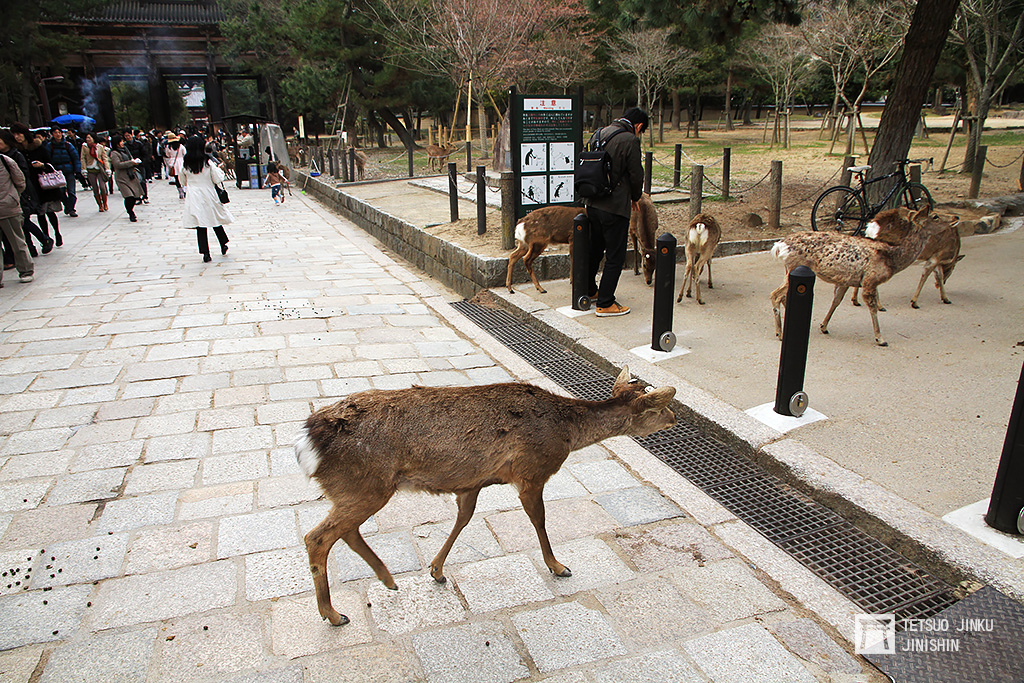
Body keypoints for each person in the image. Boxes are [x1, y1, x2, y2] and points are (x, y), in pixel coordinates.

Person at [583, 107, 648, 317]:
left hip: (592, 202)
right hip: (614, 206)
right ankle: (605, 302)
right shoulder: (630, 140)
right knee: (615, 255)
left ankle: (589, 290)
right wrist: (636, 197)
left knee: (594, 249)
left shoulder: (599, 133)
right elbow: (636, 174)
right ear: (638, 126)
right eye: (641, 130)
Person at [181, 135, 232, 262]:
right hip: (208, 193)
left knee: (201, 224)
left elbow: (182, 181)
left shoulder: (186, 163)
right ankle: (223, 243)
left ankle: (205, 252)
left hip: (194, 195)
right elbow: (217, 178)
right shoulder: (207, 162)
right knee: (214, 219)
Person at [0, 129, 50, 257]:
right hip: (8, 195)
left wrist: (16, 192)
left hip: (19, 193)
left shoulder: (15, 155)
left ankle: (44, 239)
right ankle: (33, 247)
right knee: (21, 223)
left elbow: (23, 176)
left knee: (23, 220)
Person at [11, 123, 62, 251]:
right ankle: (46, 238)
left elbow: (50, 163)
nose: (17, 137)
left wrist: (42, 165)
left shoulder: (38, 146)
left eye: (19, 134)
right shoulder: (16, 151)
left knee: (49, 211)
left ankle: (56, 232)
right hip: (30, 186)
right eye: (15, 134)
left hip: (43, 183)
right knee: (40, 213)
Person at [0, 140, 35, 285]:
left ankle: (26, 270)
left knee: (17, 241)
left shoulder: (5, 160)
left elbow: (20, 181)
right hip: (9, 203)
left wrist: (12, 197)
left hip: (8, 207)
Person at [45, 126, 80, 219]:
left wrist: (77, 170)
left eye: (59, 132)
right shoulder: (49, 146)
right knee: (61, 192)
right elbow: (47, 159)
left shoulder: (68, 145)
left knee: (71, 191)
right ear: (52, 134)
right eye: (55, 133)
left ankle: (71, 208)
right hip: (57, 172)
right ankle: (68, 206)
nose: (58, 134)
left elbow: (75, 158)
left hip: (69, 170)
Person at [109, 135, 144, 222]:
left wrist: (134, 162)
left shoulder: (125, 150)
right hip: (122, 178)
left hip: (130, 175)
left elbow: (130, 158)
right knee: (129, 196)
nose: (122, 143)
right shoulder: (114, 153)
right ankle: (130, 213)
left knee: (135, 196)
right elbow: (117, 165)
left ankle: (131, 209)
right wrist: (131, 163)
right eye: (121, 141)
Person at [80, 132, 110, 212]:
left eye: (89, 137)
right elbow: (82, 158)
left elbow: (104, 158)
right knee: (95, 188)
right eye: (87, 138)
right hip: (90, 169)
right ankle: (100, 205)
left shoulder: (99, 147)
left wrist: (107, 168)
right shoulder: (84, 147)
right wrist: (84, 169)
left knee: (102, 187)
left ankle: (105, 203)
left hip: (99, 168)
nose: (88, 139)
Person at [123, 129, 150, 203]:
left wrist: (142, 162)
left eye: (128, 135)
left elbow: (144, 153)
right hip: (131, 165)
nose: (127, 137)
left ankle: (145, 196)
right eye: (126, 136)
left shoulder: (139, 143)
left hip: (140, 164)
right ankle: (137, 197)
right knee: (134, 181)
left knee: (142, 181)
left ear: (132, 135)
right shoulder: (125, 146)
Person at [163, 133, 185, 198]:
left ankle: (180, 192)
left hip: (173, 162)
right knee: (182, 177)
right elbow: (184, 153)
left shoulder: (168, 147)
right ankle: (184, 190)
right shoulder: (181, 146)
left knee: (176, 178)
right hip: (181, 162)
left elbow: (167, 155)